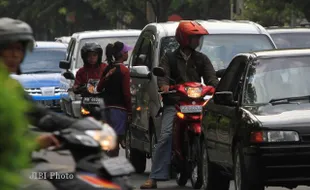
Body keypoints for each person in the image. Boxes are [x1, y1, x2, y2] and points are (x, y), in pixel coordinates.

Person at [0, 17, 100, 190]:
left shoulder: (13, 87)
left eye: (18, 49)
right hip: (8, 169)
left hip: (25, 163)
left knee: (79, 183)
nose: (14, 55)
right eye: (8, 49)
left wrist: (83, 125)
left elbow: (40, 114)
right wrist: (34, 142)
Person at [140, 20, 219, 189]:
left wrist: (217, 88)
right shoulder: (168, 58)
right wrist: (164, 85)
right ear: (184, 38)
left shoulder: (202, 59)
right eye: (194, 38)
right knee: (166, 135)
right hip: (175, 103)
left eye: (198, 38)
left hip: (197, 104)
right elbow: (162, 76)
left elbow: (211, 78)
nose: (197, 41)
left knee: (212, 132)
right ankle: (154, 177)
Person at [96, 41, 132, 157]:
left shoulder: (108, 68)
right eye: (126, 52)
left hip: (106, 108)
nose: (127, 54)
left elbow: (99, 88)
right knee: (115, 141)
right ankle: (112, 165)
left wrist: (106, 77)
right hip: (119, 110)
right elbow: (126, 93)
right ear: (122, 54)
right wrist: (130, 110)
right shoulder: (124, 71)